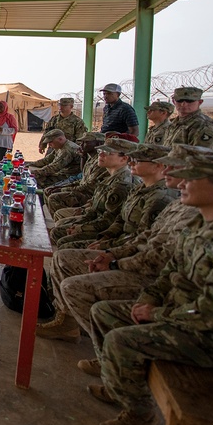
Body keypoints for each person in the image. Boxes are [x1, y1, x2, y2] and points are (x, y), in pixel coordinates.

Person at [88, 151, 213, 425]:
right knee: (104, 312)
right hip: (179, 311)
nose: (181, 184)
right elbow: (171, 269)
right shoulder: (199, 224)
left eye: (192, 178)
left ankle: (142, 414)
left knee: (122, 342)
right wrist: (150, 298)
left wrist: (155, 315)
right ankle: (121, 384)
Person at [49, 145, 200, 358]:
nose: (170, 174)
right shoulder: (176, 204)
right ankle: (68, 322)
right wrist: (112, 252)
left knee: (75, 284)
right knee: (63, 255)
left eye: (183, 174)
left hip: (152, 278)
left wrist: (114, 261)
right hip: (134, 258)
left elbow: (158, 258)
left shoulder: (167, 200)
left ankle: (109, 354)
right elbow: (142, 235)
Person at [49, 137, 135, 247]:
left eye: (108, 152)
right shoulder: (109, 175)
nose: (101, 155)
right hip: (96, 219)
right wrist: (84, 212)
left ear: (123, 159)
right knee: (59, 228)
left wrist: (81, 227)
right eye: (100, 151)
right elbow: (96, 206)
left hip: (107, 231)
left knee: (59, 234)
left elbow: (108, 221)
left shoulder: (122, 183)